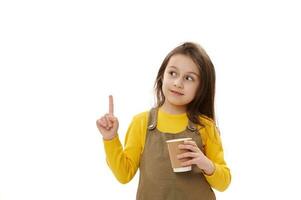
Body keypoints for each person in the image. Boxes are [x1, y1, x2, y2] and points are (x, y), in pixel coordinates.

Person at [96, 42, 231, 200]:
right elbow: (124, 175)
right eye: (172, 73)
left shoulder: (206, 126)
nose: (178, 83)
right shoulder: (141, 122)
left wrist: (207, 164)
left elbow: (224, 183)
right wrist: (110, 138)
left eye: (189, 78)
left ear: (201, 88)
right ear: (162, 76)